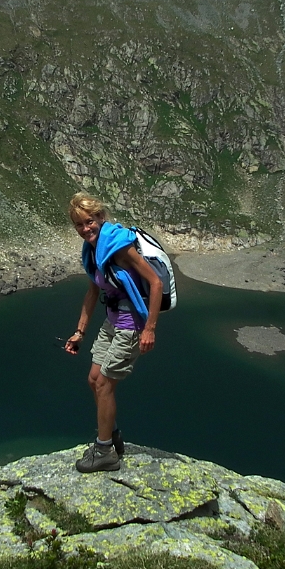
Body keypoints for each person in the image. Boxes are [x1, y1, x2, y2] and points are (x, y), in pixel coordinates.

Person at [65, 192, 163, 473]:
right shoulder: (94, 251)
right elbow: (93, 291)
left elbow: (155, 283)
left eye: (90, 221)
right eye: (80, 225)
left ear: (100, 217)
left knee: (106, 385)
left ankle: (105, 449)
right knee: (93, 379)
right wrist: (79, 332)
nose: (86, 229)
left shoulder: (119, 247)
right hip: (112, 321)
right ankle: (113, 435)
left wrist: (150, 328)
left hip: (131, 325)